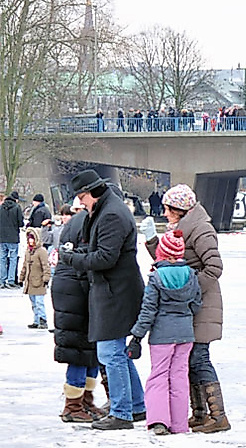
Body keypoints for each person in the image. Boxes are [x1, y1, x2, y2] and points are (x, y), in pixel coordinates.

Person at [58, 171, 146, 430]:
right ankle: (136, 406)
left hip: (116, 293)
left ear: (92, 191)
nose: (80, 203)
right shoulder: (106, 209)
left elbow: (105, 258)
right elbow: (99, 250)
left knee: (110, 353)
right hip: (115, 290)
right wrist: (79, 252)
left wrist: (71, 259)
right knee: (117, 352)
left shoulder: (110, 215)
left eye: (82, 197)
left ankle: (122, 413)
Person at [145, 184, 230, 433]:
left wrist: (188, 290)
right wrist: (152, 242)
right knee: (190, 360)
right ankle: (200, 414)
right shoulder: (180, 228)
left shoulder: (201, 229)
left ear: (179, 209)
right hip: (189, 303)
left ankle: (218, 416)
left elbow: (214, 268)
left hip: (203, 304)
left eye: (167, 209)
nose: (164, 213)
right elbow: (168, 263)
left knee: (199, 358)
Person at [128, 230, 202, 435]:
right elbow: (196, 305)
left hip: (162, 335)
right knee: (179, 377)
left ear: (164, 253)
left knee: (159, 376)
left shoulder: (156, 277)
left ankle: (159, 421)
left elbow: (148, 310)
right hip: (186, 334)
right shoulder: (191, 275)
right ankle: (180, 424)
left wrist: (137, 336)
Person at [52, 198, 106, 423]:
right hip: (76, 293)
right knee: (80, 352)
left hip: (71, 290)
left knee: (87, 352)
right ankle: (73, 405)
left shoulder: (76, 223)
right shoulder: (88, 222)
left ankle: (85, 400)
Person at [19, 228, 50, 329]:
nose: (30, 241)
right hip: (30, 282)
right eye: (29, 239)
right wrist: (21, 278)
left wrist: (46, 278)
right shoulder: (28, 251)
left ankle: (43, 320)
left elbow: (46, 266)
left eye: (32, 238)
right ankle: (36, 320)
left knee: (39, 302)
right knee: (33, 303)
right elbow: (24, 266)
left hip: (39, 281)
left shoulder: (41, 251)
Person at [0, 190, 22, 289]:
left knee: (2, 259)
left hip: (1, 237)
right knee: (13, 259)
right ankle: (11, 280)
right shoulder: (17, 208)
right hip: (13, 237)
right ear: (16, 199)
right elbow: (21, 223)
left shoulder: (1, 207)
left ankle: (2, 280)